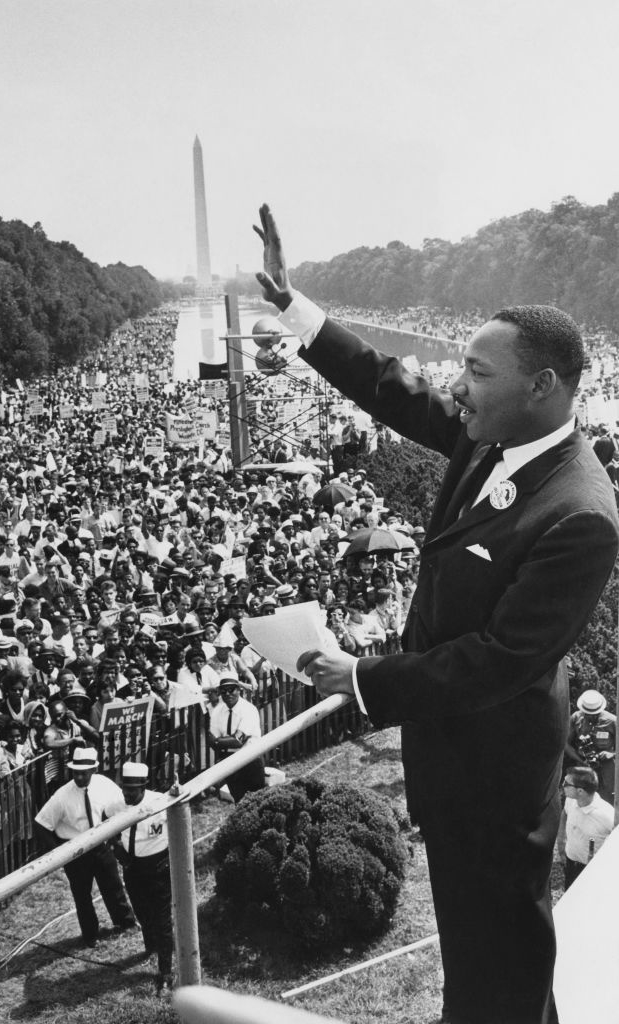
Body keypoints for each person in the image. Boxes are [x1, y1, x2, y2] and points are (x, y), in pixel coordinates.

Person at [254, 203, 619, 1024]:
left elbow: (498, 659)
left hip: (498, 775)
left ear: (543, 385)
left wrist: (364, 679)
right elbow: (390, 385)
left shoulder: (581, 513)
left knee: (496, 971)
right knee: (493, 965)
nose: (456, 386)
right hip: (458, 761)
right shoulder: (491, 434)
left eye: (477, 373)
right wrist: (293, 305)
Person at [34, 747, 136, 946]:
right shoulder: (62, 796)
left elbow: (120, 807)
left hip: (102, 844)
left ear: (94, 770)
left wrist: (115, 838)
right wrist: (58, 852)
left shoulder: (105, 785)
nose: (79, 777)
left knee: (113, 884)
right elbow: (41, 824)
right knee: (82, 894)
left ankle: (125, 922)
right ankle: (90, 934)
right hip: (75, 851)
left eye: (84, 773)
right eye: (75, 773)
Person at [109, 761, 173, 994]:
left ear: (144, 786)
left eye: (132, 790)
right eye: (124, 789)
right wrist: (117, 847)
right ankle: (151, 944)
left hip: (158, 866)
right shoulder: (116, 805)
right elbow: (107, 825)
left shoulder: (160, 803)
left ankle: (165, 971)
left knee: (163, 919)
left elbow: (180, 823)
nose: (127, 794)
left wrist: (170, 856)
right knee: (142, 911)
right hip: (132, 867)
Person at [207, 674, 265, 803]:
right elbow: (211, 740)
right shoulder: (217, 711)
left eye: (231, 689)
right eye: (223, 691)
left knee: (258, 800)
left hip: (250, 759)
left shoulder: (249, 710)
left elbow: (238, 741)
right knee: (238, 800)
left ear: (239, 690)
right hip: (229, 762)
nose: (227, 693)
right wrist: (220, 741)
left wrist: (218, 742)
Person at [560, 766, 615, 889]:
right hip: (570, 864)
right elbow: (564, 813)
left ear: (580, 791)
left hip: (591, 871)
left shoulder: (607, 815)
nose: (562, 786)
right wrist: (561, 842)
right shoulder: (570, 800)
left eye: (566, 783)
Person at [565, 688, 616, 804]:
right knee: (581, 798)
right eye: (587, 713)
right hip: (584, 766)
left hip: (606, 768)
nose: (591, 716)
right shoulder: (576, 718)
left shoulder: (612, 721)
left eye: (594, 714)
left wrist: (611, 753)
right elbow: (565, 744)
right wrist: (580, 759)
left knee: (608, 799)